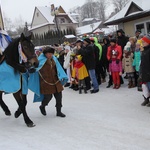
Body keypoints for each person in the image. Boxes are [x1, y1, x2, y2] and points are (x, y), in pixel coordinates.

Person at [29, 46, 68, 117]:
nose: (50, 55)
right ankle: (42, 106)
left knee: (59, 97)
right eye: (48, 53)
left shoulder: (54, 59)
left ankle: (59, 111)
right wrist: (32, 69)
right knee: (48, 97)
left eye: (51, 53)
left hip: (56, 81)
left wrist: (62, 76)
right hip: (46, 82)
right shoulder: (40, 60)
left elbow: (59, 68)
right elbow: (36, 67)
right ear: (45, 54)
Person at [140, 35, 150, 106]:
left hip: (148, 72)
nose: (142, 43)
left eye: (144, 42)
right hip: (144, 72)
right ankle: (146, 99)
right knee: (144, 87)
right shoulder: (143, 50)